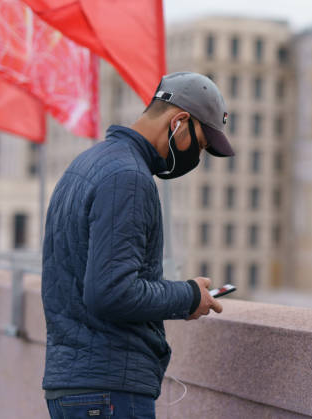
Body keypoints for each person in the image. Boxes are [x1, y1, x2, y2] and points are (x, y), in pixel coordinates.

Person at [42, 72, 235, 418]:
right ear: (179, 123)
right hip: (109, 392)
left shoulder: (87, 165)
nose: (197, 157)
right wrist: (189, 295)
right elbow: (111, 292)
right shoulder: (127, 178)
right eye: (201, 145)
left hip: (76, 387)